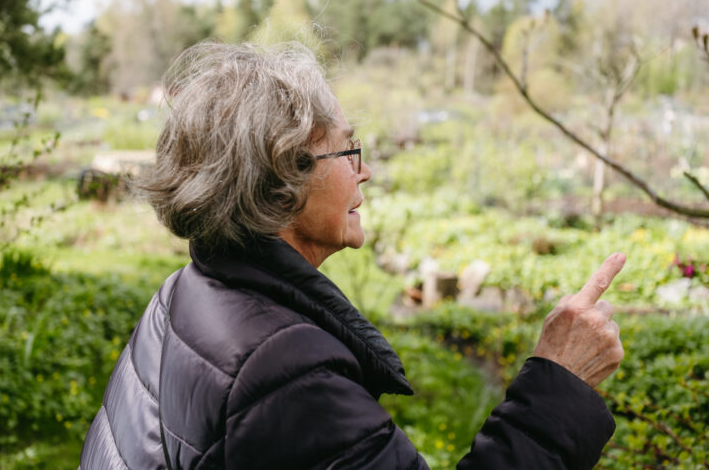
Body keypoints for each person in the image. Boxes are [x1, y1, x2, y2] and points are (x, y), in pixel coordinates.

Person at [79, 42, 625, 469]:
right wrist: (559, 381)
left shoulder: (186, 290)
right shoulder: (287, 375)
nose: (364, 171)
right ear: (282, 173)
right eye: (348, 149)